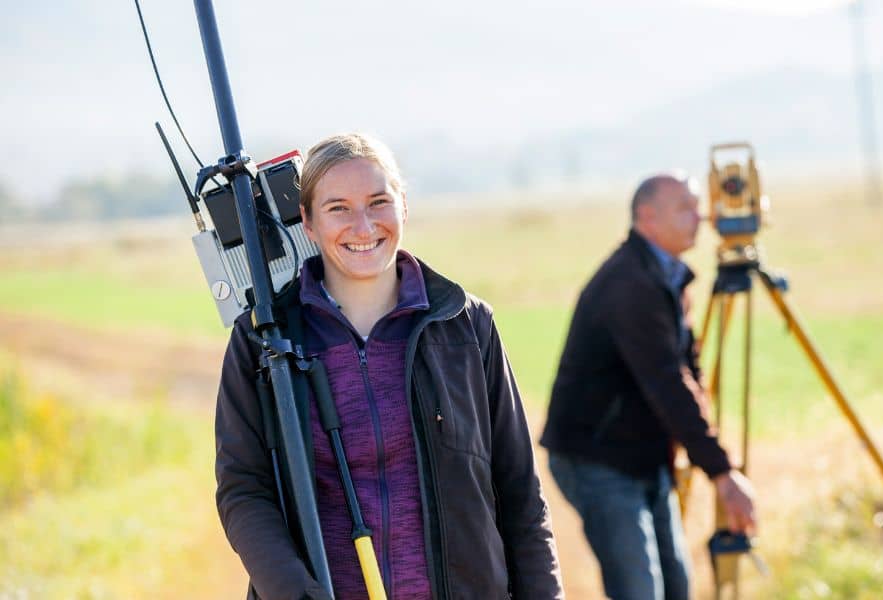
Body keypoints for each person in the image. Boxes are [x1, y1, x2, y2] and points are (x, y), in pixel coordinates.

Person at [215, 133, 563, 600]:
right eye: (338, 208)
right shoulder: (261, 339)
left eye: (378, 202)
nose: (363, 226)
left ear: (403, 207)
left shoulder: (465, 325)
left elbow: (520, 489)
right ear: (309, 224)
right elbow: (244, 490)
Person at [540, 174, 755, 600]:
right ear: (646, 217)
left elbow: (687, 373)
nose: (701, 216)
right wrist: (721, 472)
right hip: (597, 460)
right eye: (685, 208)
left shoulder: (665, 274)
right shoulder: (630, 284)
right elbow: (667, 383)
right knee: (640, 591)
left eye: (697, 206)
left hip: (644, 458)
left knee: (677, 586)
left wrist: (706, 455)